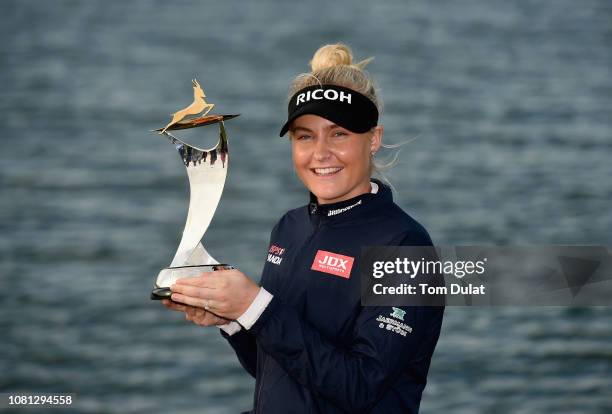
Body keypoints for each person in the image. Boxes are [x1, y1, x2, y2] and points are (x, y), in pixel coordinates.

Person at [163, 43, 444, 413]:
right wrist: (233, 319)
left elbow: (360, 386)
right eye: (304, 136)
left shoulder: (406, 248)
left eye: (339, 134)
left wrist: (256, 307)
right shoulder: (289, 227)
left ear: (373, 139)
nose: (320, 153)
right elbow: (277, 370)